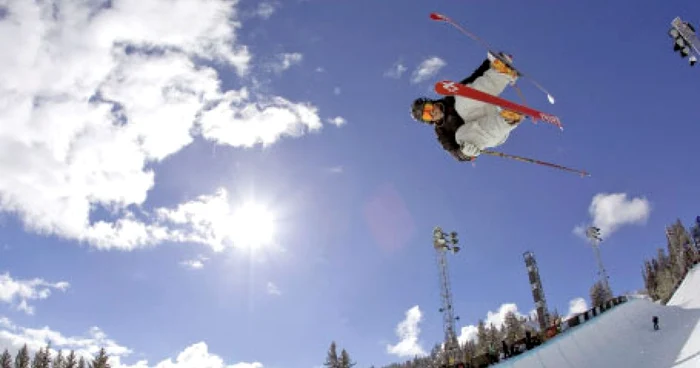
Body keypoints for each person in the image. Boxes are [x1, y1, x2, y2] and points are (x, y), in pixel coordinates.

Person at [410, 52, 524, 162]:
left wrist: (490, 61)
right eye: (426, 115)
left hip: (485, 109)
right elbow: (454, 152)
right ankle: (508, 119)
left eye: (429, 108)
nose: (431, 112)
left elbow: (474, 78)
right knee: (460, 136)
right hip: (491, 133)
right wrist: (464, 153)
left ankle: (502, 73)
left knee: (462, 98)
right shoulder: (442, 132)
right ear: (427, 120)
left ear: (432, 103)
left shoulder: (451, 98)